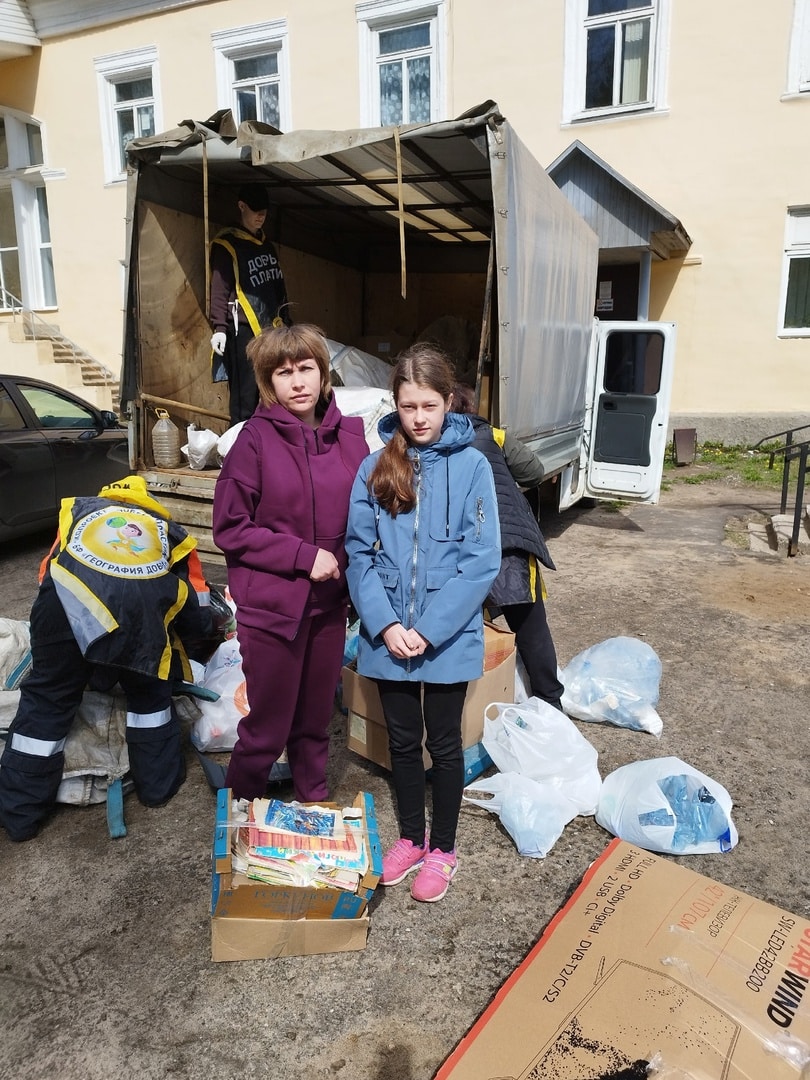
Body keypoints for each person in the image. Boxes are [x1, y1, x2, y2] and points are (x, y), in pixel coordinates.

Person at [345, 344, 501, 903]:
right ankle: (411, 838)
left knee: (445, 744)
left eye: (429, 405)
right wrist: (386, 626)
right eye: (408, 406)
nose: (418, 418)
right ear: (396, 404)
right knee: (404, 745)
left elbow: (481, 559)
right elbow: (358, 554)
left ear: (449, 401)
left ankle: (444, 850)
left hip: (446, 638)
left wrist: (429, 629)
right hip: (388, 637)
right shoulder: (375, 465)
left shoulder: (473, 465)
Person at [0, 475, 214, 842]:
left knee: (47, 699)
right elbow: (196, 609)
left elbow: (45, 577)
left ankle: (19, 816)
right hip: (139, 617)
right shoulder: (170, 534)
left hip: (64, 605)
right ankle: (157, 790)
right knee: (149, 694)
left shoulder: (79, 517)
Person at [212, 323, 369, 803]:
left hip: (328, 608)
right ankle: (241, 814)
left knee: (315, 722)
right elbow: (230, 528)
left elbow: (367, 514)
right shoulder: (253, 441)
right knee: (267, 728)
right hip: (273, 611)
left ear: (323, 375)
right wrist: (304, 556)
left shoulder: (351, 438)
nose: (298, 382)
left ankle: (313, 803)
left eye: (307, 369)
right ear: (268, 382)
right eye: (284, 373)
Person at [451, 384, 565, 710]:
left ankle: (471, 707)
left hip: (462, 549)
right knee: (531, 630)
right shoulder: (493, 436)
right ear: (470, 407)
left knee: (464, 630)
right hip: (509, 544)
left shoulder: (431, 444)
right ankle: (549, 703)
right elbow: (535, 471)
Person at [209, 183, 290, 426]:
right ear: (241, 206)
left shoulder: (267, 246)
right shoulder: (227, 245)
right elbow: (219, 288)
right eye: (255, 211)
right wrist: (219, 328)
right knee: (246, 393)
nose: (261, 216)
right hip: (242, 329)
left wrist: (288, 322)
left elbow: (279, 288)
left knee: (272, 388)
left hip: (271, 329)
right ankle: (240, 443)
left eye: (264, 211)